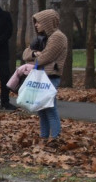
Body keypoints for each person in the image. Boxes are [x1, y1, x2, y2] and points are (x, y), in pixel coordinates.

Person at [23, 9, 68, 143]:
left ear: (48, 22)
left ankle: (54, 137)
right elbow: (25, 54)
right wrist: (34, 54)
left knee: (49, 107)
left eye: (39, 22)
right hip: (40, 75)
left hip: (50, 76)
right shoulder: (42, 38)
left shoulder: (57, 37)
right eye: (35, 22)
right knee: (41, 108)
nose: (36, 25)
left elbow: (46, 57)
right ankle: (44, 136)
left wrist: (35, 56)